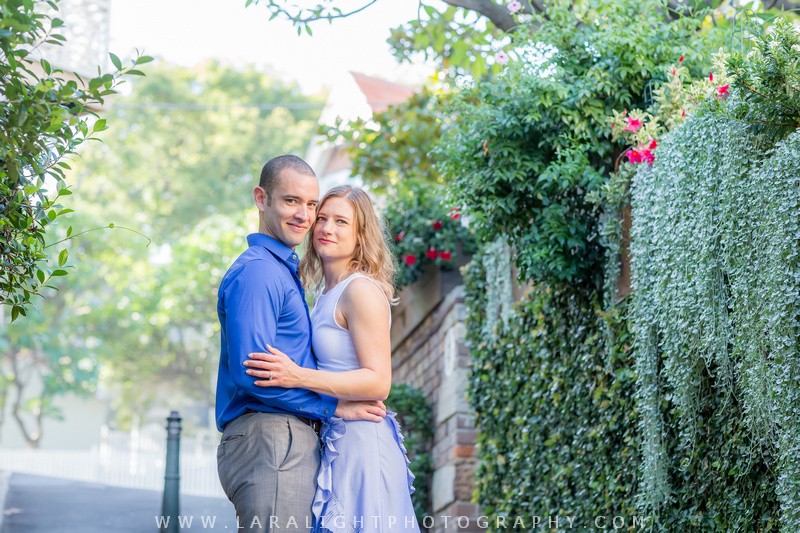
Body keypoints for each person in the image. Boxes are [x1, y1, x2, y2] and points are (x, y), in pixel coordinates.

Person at [215, 156, 387, 533]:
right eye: (292, 201)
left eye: (312, 205)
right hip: (273, 438)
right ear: (262, 199)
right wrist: (332, 406)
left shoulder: (288, 273)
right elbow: (254, 376)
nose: (306, 217)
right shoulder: (261, 271)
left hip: (291, 440)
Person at [243, 185, 420, 532]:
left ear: (361, 234)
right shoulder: (324, 294)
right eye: (322, 218)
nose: (326, 228)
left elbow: (378, 382)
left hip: (363, 444)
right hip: (337, 437)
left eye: (341, 222)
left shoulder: (360, 290)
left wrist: (297, 377)